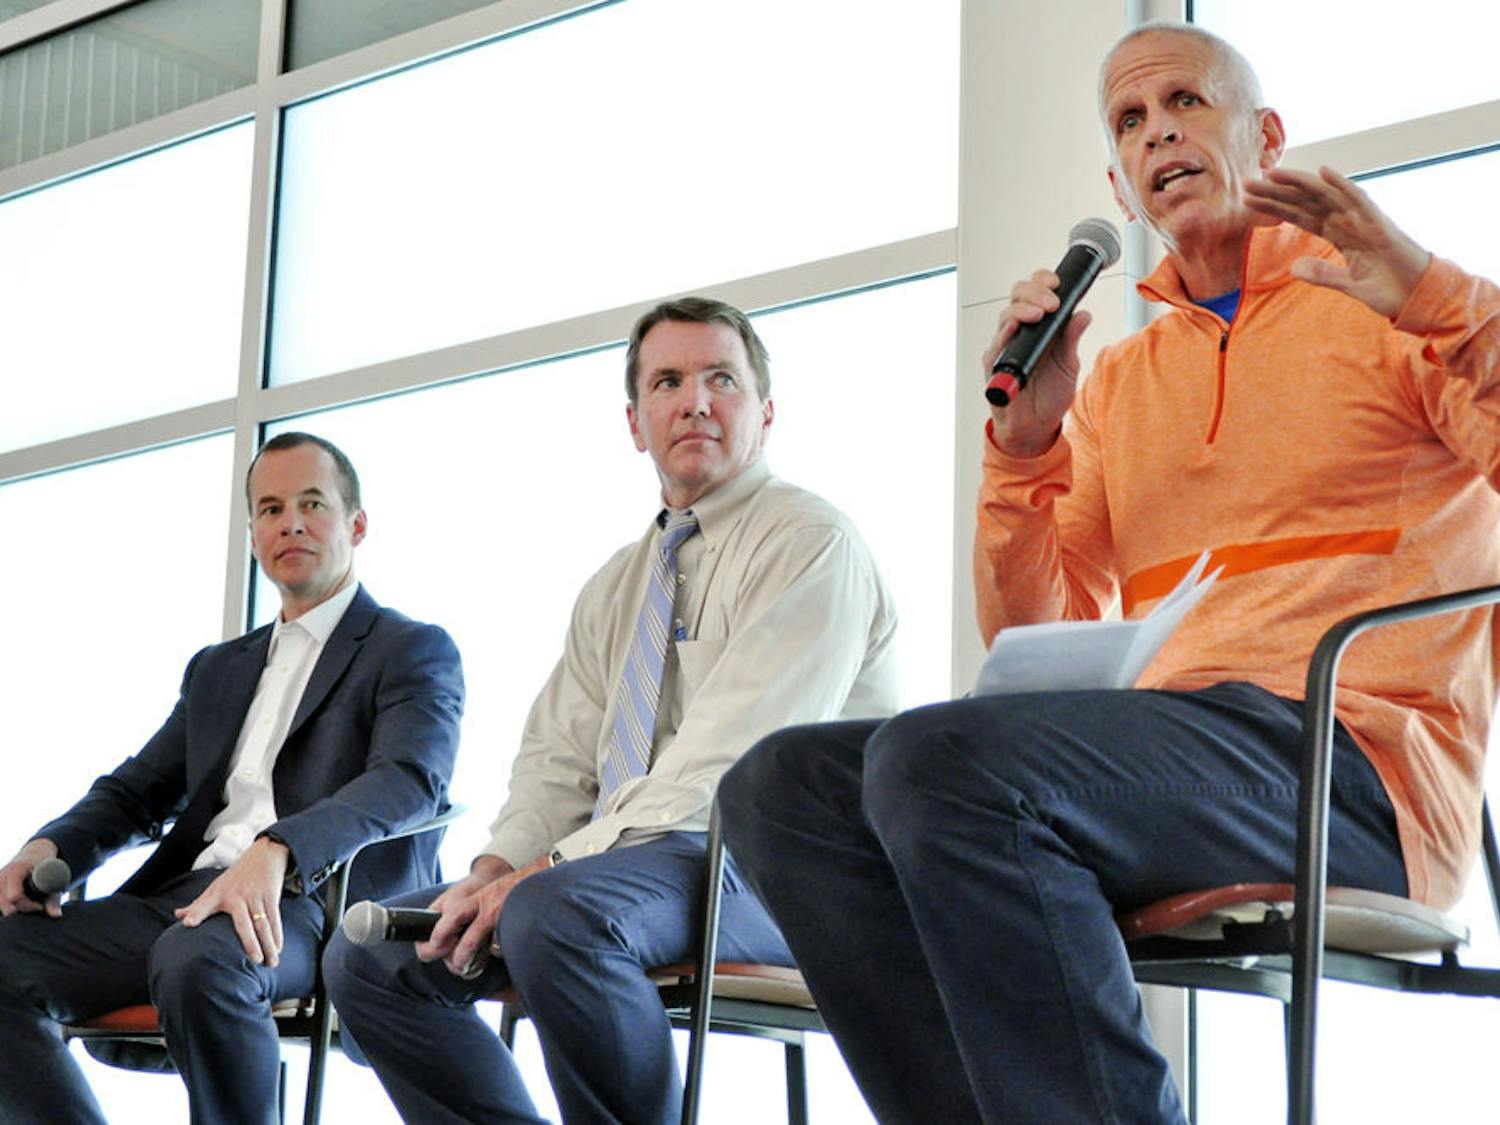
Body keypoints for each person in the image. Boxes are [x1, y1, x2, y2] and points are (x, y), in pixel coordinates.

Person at [717, 20, 1500, 1124]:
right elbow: (1032, 634)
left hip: (1350, 767)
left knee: (941, 765)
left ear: (1267, 137)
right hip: (1173, 757)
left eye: (1186, 103)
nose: (1158, 133)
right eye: (1131, 121)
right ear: (1121, 189)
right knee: (782, 790)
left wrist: (1430, 293)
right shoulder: (1121, 384)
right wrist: (1025, 452)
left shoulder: (1394, 313)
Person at [323, 296, 899, 1124]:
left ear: (765, 412)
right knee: (372, 958)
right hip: (629, 871)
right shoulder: (618, 585)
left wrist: (542, 875)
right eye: (668, 382)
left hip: (779, 875)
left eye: (721, 380)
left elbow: (726, 767)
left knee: (555, 912)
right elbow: (558, 758)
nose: (695, 401)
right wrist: (493, 870)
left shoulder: (811, 544)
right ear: (636, 422)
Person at [0, 432, 465, 1125]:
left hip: (314, 902)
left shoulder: (411, 649)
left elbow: (408, 780)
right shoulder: (219, 668)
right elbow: (136, 791)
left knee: (200, 958)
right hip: (187, 900)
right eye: (271, 509)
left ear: (357, 524)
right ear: (253, 536)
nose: (291, 523)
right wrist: (49, 847)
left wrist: (279, 849)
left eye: (313, 504)